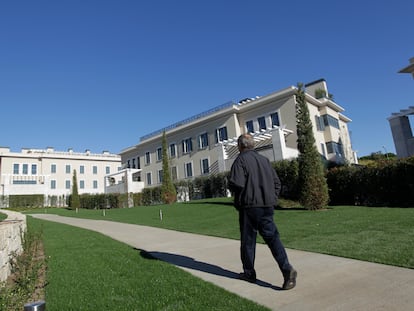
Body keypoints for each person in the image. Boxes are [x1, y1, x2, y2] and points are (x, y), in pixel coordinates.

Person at [228, 133, 297, 290]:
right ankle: (287, 270)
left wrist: (238, 200)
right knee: (273, 239)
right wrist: (271, 199)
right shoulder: (264, 160)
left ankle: (249, 273)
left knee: (248, 242)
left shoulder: (241, 160)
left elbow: (236, 184)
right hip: (267, 207)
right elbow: (277, 183)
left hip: (249, 207)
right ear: (252, 145)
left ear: (240, 146)